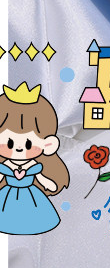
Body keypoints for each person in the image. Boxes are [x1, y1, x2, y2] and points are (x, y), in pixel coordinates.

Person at [0, 82, 70, 235]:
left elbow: (43, 180)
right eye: (9, 143)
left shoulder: (34, 167)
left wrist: (50, 184)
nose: (19, 148)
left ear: (48, 144)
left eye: (28, 144)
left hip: (31, 199)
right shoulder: (5, 166)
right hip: (6, 200)